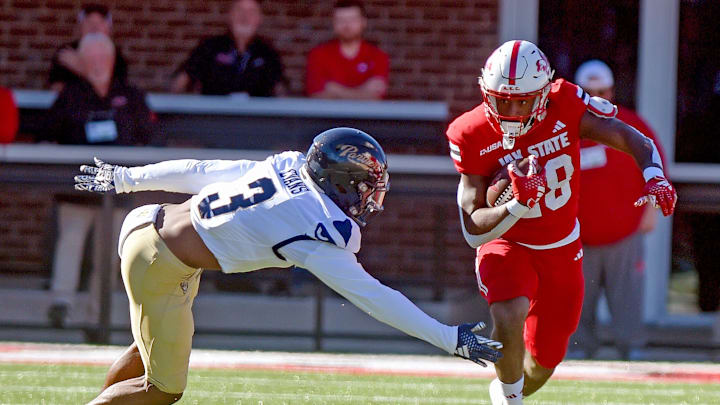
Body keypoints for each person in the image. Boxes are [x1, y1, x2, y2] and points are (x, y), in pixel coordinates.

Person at [73, 127, 503, 404]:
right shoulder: (314, 227)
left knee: (149, 349)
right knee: (163, 389)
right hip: (161, 263)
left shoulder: (287, 168)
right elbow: (376, 298)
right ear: (341, 183)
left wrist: (128, 179)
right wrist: (449, 338)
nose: (375, 199)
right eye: (368, 187)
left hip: (148, 225)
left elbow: (202, 170)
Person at [445, 40, 676, 405]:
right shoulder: (470, 132)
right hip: (507, 241)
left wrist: (654, 174)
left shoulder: (566, 103)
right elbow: (473, 228)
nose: (513, 111)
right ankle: (509, 399)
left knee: (546, 360)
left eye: (523, 100)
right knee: (508, 311)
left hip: (561, 247)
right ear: (486, 93)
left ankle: (509, 390)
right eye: (503, 100)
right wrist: (518, 204)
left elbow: (629, 135)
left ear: (544, 93)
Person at [42, 33, 155, 330]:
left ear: (112, 60)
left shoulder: (130, 95)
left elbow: (149, 136)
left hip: (116, 190)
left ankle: (96, 316)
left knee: (109, 256)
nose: (97, 63)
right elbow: (48, 133)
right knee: (70, 243)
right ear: (81, 62)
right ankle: (61, 305)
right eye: (90, 58)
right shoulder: (69, 95)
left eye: (102, 57)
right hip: (76, 189)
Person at [569, 59, 666, 360]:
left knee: (628, 299)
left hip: (625, 233)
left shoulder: (632, 125)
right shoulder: (566, 128)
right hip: (576, 238)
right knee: (576, 302)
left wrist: (651, 210)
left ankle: (632, 350)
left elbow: (656, 165)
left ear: (612, 91)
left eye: (602, 90)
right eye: (588, 91)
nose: (597, 97)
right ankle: (578, 351)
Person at [170, 0, 286, 96]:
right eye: (239, 10)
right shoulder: (210, 46)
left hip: (257, 120)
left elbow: (281, 92)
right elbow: (180, 81)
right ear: (230, 15)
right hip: (212, 118)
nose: (244, 17)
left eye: (251, 12)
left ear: (259, 19)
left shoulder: (267, 52)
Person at [306, 0, 389, 100]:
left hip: (365, 116)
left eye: (352, 20)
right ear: (333, 23)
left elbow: (375, 97)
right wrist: (362, 91)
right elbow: (316, 96)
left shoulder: (378, 56)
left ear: (363, 22)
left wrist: (334, 90)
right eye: (341, 20)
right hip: (329, 115)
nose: (347, 25)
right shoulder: (318, 55)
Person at [48, 4, 128, 92]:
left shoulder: (116, 55)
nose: (95, 27)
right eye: (89, 22)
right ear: (80, 27)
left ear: (109, 28)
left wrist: (81, 68)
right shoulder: (66, 51)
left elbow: (118, 91)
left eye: (101, 22)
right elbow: (56, 88)